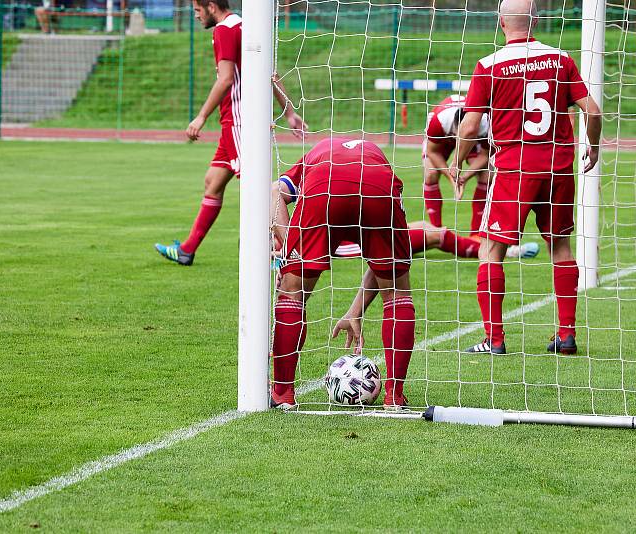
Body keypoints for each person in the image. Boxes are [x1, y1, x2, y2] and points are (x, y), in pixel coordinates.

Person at [449, 0, 601, 355]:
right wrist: (593, 146)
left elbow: (470, 125)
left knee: (491, 248)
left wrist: (457, 162)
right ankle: (566, 335)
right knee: (560, 246)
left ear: (501, 22)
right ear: (536, 20)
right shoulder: (561, 59)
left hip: (515, 169)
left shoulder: (489, 65)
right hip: (559, 167)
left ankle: (494, 339)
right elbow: (592, 111)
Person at [155, 0, 307, 266]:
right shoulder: (246, 25)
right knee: (212, 182)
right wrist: (290, 111)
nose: (196, 16)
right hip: (235, 123)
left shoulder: (224, 30)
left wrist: (201, 117)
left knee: (256, 188)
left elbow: (225, 79)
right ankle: (187, 250)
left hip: (238, 121)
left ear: (211, 6)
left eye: (197, 10)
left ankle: (283, 250)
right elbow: (270, 73)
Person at [270, 138, 415, 410]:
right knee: (396, 292)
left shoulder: (309, 161)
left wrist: (286, 246)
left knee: (292, 293)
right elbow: (381, 263)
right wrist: (355, 311)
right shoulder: (371, 155)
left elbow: (275, 191)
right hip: (379, 185)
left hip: (324, 184)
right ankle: (394, 397)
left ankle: (282, 394)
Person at [423, 95, 490, 234]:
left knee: (487, 175)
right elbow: (432, 151)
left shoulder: (485, 123)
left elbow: (485, 155)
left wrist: (465, 177)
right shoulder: (439, 120)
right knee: (430, 173)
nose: (459, 140)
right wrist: (451, 178)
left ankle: (476, 235)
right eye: (457, 135)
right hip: (442, 140)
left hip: (473, 140)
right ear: (453, 127)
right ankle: (436, 231)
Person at [333, 221, 540, 260]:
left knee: (425, 225)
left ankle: (485, 246)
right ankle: (509, 251)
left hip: (366, 232)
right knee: (437, 236)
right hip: (354, 245)